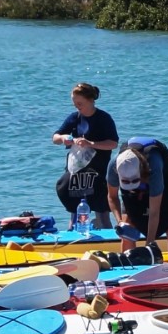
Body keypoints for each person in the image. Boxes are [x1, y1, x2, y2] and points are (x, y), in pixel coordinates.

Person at [51, 83, 116, 229]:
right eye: (74, 103)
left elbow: (113, 143)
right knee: (74, 209)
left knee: (102, 213)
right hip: (77, 170)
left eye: (80, 103)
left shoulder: (103, 118)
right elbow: (55, 137)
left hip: (98, 171)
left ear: (91, 100)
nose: (76, 106)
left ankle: (106, 234)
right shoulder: (74, 118)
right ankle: (73, 234)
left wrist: (90, 143)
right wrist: (63, 139)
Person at [106, 137, 168, 261]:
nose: (130, 184)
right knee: (128, 224)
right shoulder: (113, 166)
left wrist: (149, 244)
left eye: (134, 181)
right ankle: (128, 266)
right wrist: (120, 222)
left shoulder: (154, 168)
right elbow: (112, 197)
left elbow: (154, 212)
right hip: (139, 180)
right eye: (125, 181)